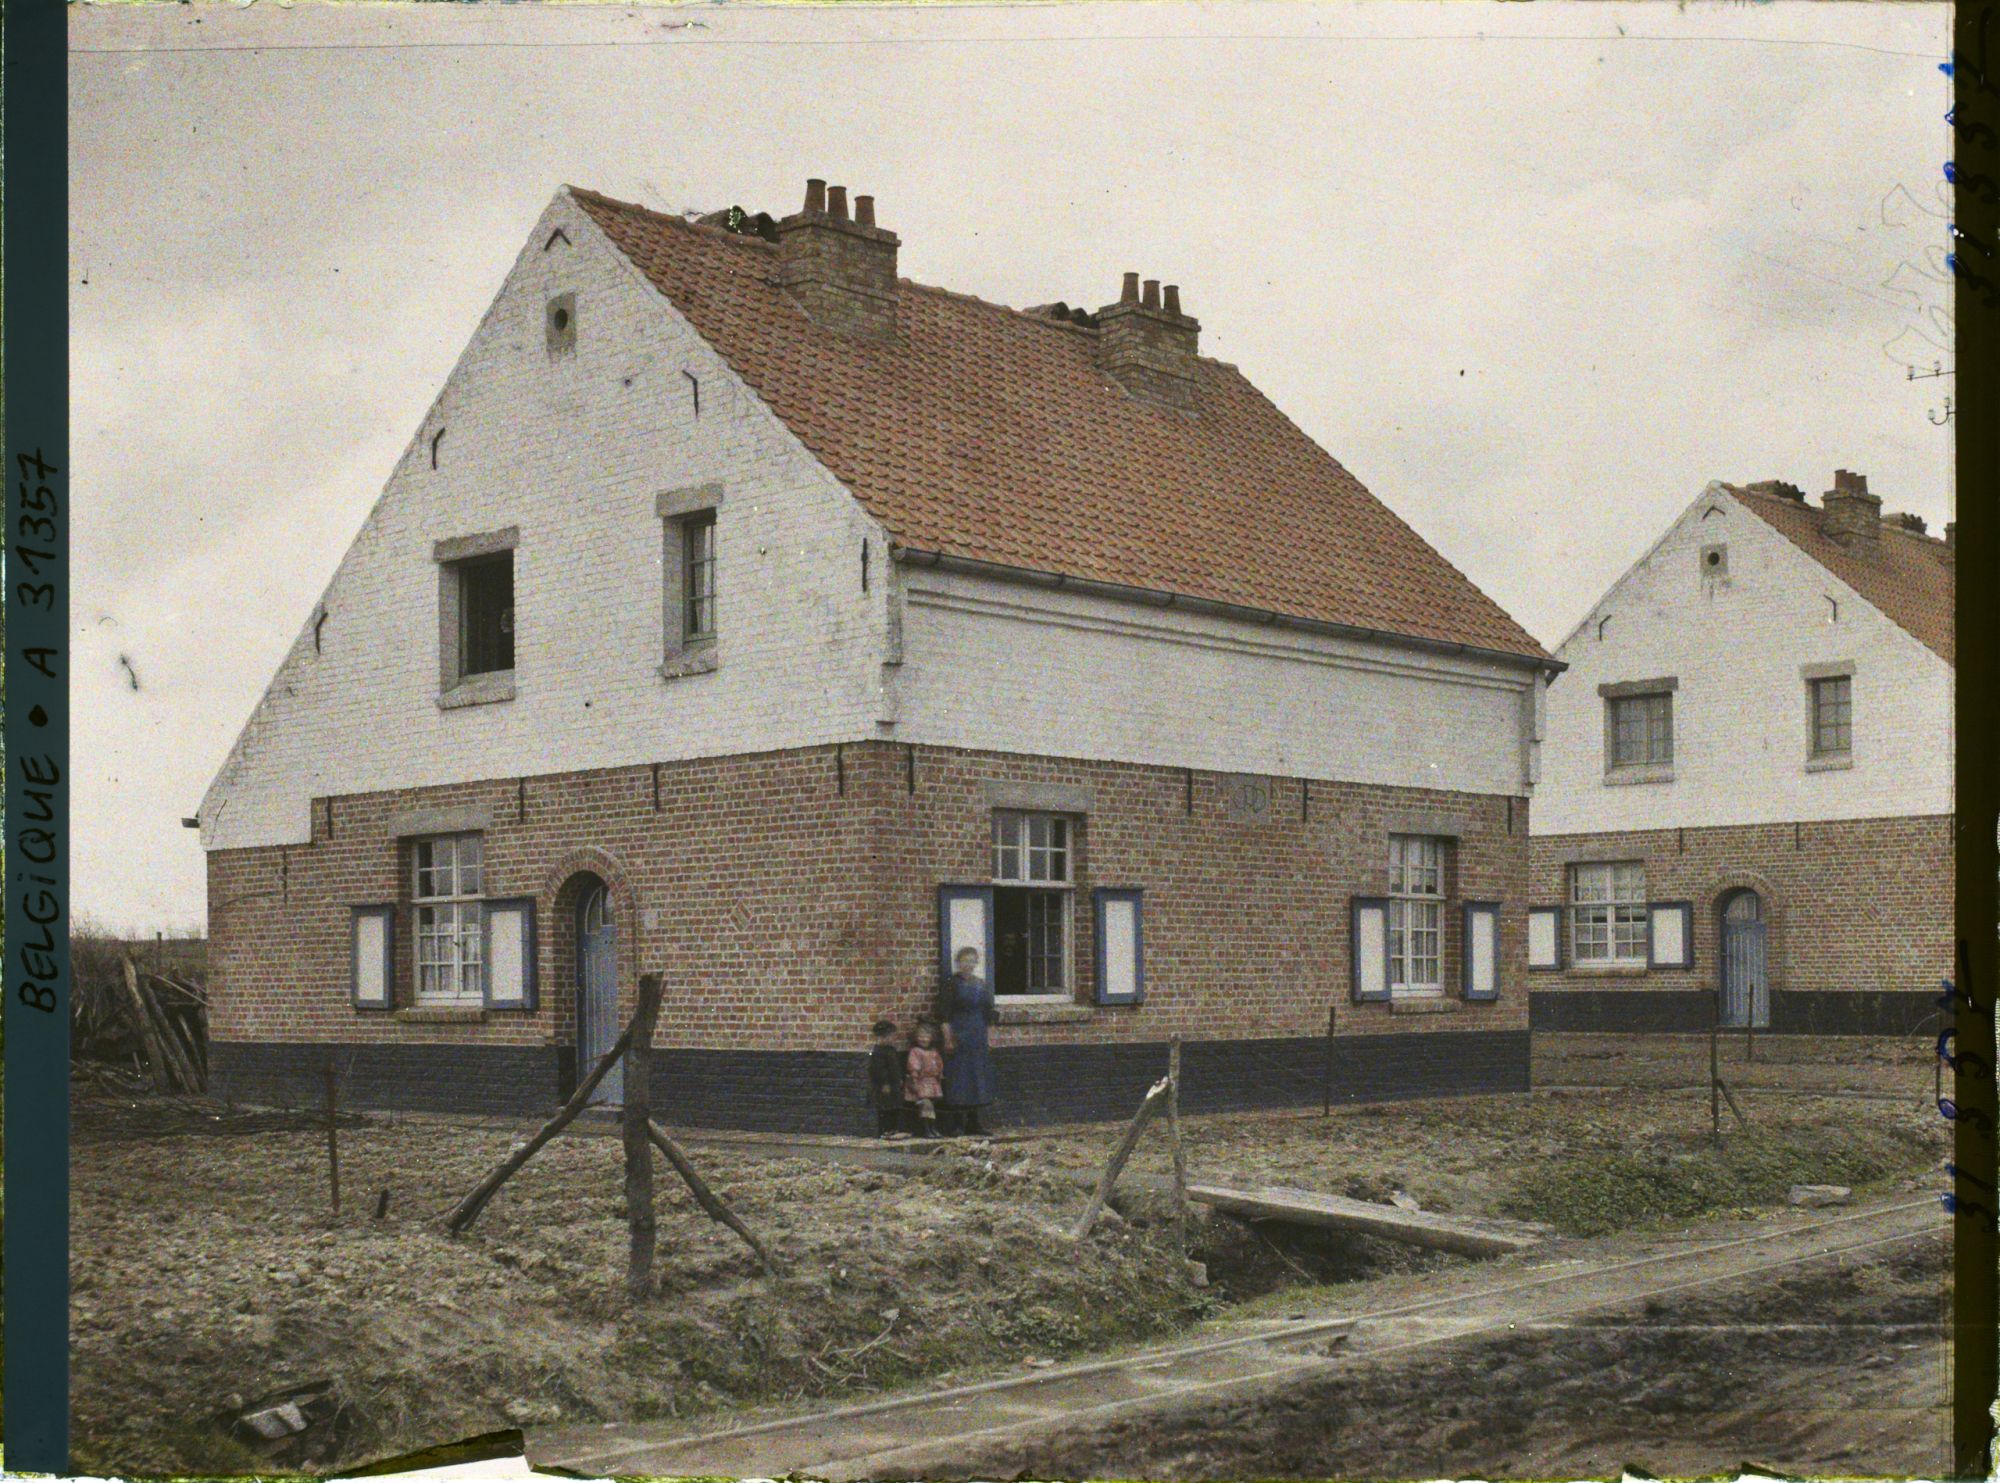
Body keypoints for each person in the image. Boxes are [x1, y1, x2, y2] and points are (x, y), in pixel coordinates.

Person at [938, 945, 1000, 1136]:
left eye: (972, 961)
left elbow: (989, 1013)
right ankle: (958, 1124)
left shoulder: (981, 985)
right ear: (959, 962)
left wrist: (990, 1037)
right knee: (959, 1078)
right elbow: (944, 1014)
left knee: (977, 1078)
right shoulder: (951, 984)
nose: (969, 964)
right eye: (965, 960)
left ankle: (975, 1122)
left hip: (977, 1034)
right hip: (959, 1033)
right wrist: (948, 1038)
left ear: (976, 963)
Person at [904, 1019, 946, 1138]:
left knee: (931, 1106)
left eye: (927, 1036)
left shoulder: (934, 1052)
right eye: (921, 1036)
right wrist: (915, 1079)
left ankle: (932, 1128)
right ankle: (927, 1129)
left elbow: (939, 1064)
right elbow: (914, 1066)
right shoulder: (915, 1052)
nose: (924, 1039)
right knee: (926, 1105)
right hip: (922, 1082)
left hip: (932, 1082)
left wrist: (939, 1074)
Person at [867, 1017, 908, 1139]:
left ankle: (893, 1129)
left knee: (895, 1107)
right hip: (885, 1086)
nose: (893, 1039)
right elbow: (878, 1070)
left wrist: (899, 1078)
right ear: (882, 1037)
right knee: (885, 1108)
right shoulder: (878, 1052)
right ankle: (884, 1130)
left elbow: (895, 1066)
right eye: (891, 1036)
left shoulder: (891, 1050)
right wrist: (884, 1083)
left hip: (894, 1084)